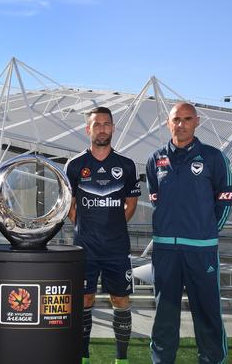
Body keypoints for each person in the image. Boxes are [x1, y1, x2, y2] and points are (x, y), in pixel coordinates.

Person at [146, 102, 232, 364]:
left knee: (207, 314)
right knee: (164, 315)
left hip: (201, 250)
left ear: (197, 122)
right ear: (168, 123)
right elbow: (156, 200)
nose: (181, 124)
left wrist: (205, 232)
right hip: (165, 251)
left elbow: (225, 200)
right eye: (176, 119)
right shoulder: (155, 159)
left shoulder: (214, 157)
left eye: (187, 119)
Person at [64, 106, 141, 364]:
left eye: (106, 124)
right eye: (97, 125)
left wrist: (114, 226)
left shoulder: (126, 165)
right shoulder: (74, 165)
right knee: (85, 299)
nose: (102, 129)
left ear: (113, 128)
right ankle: (83, 356)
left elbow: (130, 204)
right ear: (88, 129)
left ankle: (122, 359)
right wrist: (83, 226)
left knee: (120, 299)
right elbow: (69, 205)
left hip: (116, 248)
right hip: (84, 248)